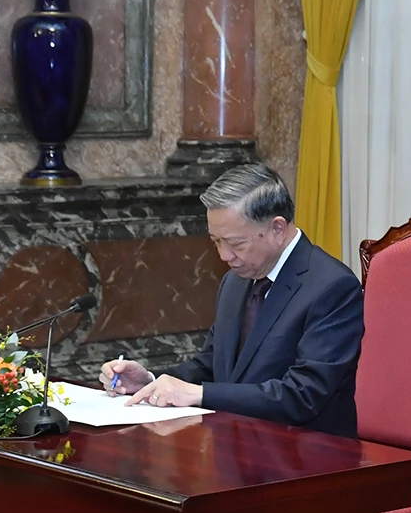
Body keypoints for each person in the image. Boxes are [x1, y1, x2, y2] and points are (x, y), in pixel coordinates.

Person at [101, 162, 364, 437]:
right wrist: (151, 381)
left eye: (236, 244)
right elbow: (215, 364)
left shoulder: (332, 287)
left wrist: (199, 394)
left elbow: (302, 396)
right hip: (235, 449)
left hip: (310, 460)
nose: (224, 256)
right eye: (216, 241)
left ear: (277, 229)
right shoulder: (236, 280)